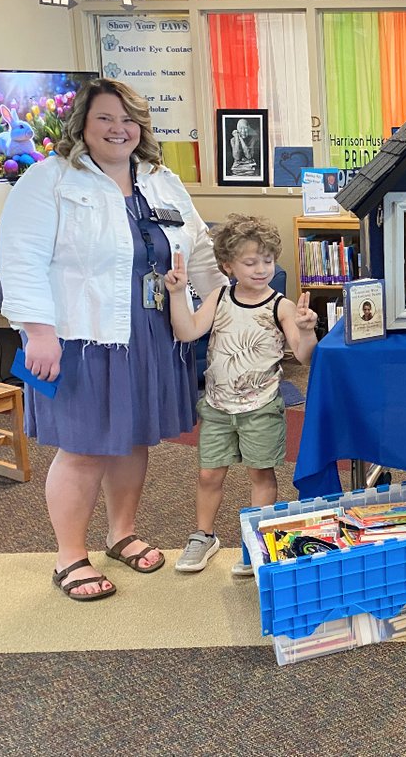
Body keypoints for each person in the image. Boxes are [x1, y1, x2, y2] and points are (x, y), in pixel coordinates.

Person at [0, 78, 226, 601]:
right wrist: (38, 332)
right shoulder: (49, 179)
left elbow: (199, 251)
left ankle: (121, 533)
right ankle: (69, 557)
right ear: (82, 123)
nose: (118, 129)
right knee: (83, 447)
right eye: (105, 118)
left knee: (131, 437)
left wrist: (224, 304)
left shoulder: (162, 180)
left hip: (151, 332)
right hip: (83, 336)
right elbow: (20, 259)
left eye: (128, 120)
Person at [164, 214, 318, 575]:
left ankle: (258, 544)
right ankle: (204, 536)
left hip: (262, 408)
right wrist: (177, 294)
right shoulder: (219, 297)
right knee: (208, 475)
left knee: (260, 474)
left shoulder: (280, 305)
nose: (261, 269)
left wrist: (307, 329)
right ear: (228, 265)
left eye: (267, 260)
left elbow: (304, 356)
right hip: (218, 407)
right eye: (250, 262)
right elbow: (187, 332)